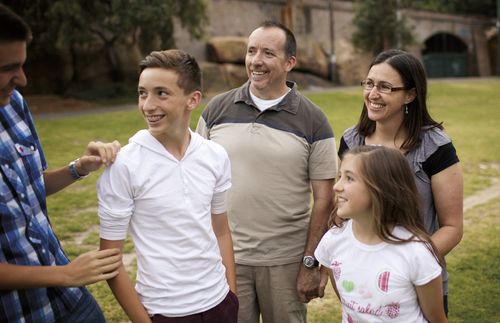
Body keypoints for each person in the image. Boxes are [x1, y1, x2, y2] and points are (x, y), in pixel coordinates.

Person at [196, 21, 336, 323]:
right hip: (225, 258)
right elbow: (195, 183)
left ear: (290, 63)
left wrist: (311, 262)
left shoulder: (314, 120)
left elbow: (325, 199)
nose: (256, 60)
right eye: (251, 51)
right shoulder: (215, 110)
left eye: (268, 53)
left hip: (285, 262)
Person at [0, 4, 123, 322]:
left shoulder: (13, 104)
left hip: (70, 302)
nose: (23, 79)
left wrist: (79, 168)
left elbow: (31, 187)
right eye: (9, 68)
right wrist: (66, 274)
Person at [97, 49, 238, 322]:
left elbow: (221, 231)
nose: (148, 105)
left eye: (161, 93)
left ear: (192, 99)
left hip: (220, 304)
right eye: (142, 93)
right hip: (165, 312)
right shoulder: (124, 165)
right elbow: (110, 259)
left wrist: (231, 294)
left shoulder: (215, 155)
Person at [338, 49, 463, 315]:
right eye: (369, 84)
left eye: (385, 87)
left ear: (410, 94)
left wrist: (404, 266)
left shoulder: (435, 147)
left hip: (419, 287)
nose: (373, 94)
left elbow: (452, 227)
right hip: (363, 287)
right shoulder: (351, 141)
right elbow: (342, 213)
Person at [315, 145, 448, 323]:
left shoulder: (417, 253)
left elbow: (437, 320)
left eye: (349, 178)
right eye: (340, 177)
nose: (336, 187)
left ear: (381, 188)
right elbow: (349, 305)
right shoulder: (333, 240)